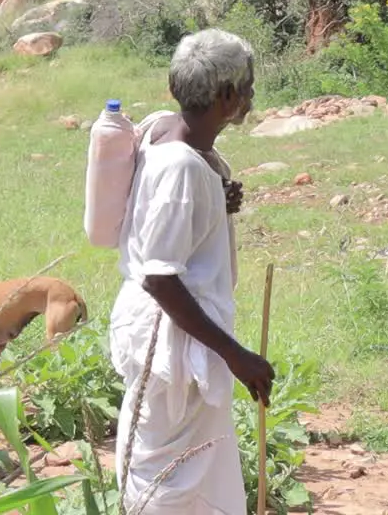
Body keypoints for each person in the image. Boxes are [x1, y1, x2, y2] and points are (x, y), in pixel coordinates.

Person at [111, 28, 275, 514]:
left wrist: (213, 202)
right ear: (226, 97)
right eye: (246, 88)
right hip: (175, 342)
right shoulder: (182, 167)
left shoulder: (162, 130)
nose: (249, 97)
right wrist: (235, 356)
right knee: (170, 479)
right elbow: (160, 277)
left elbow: (164, 211)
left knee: (187, 465)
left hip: (172, 336)